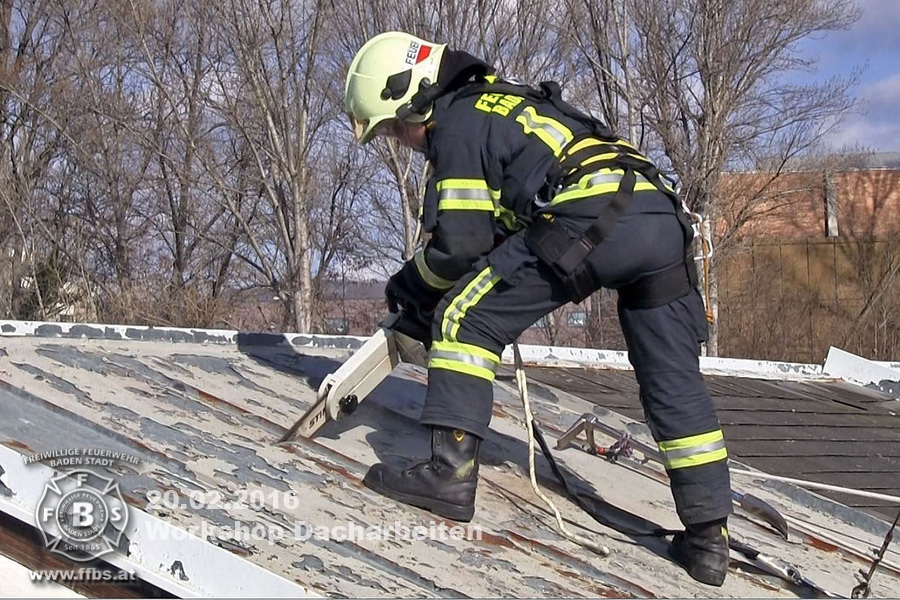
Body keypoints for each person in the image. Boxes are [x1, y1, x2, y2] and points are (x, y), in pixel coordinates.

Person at [344, 31, 733, 587]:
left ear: (413, 100)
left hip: (593, 215)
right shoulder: (507, 103)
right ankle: (707, 539)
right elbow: (501, 230)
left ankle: (447, 475)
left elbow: (459, 247)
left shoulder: (457, 123)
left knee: (463, 319)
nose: (402, 141)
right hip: (659, 217)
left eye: (392, 127)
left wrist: (410, 286)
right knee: (673, 380)